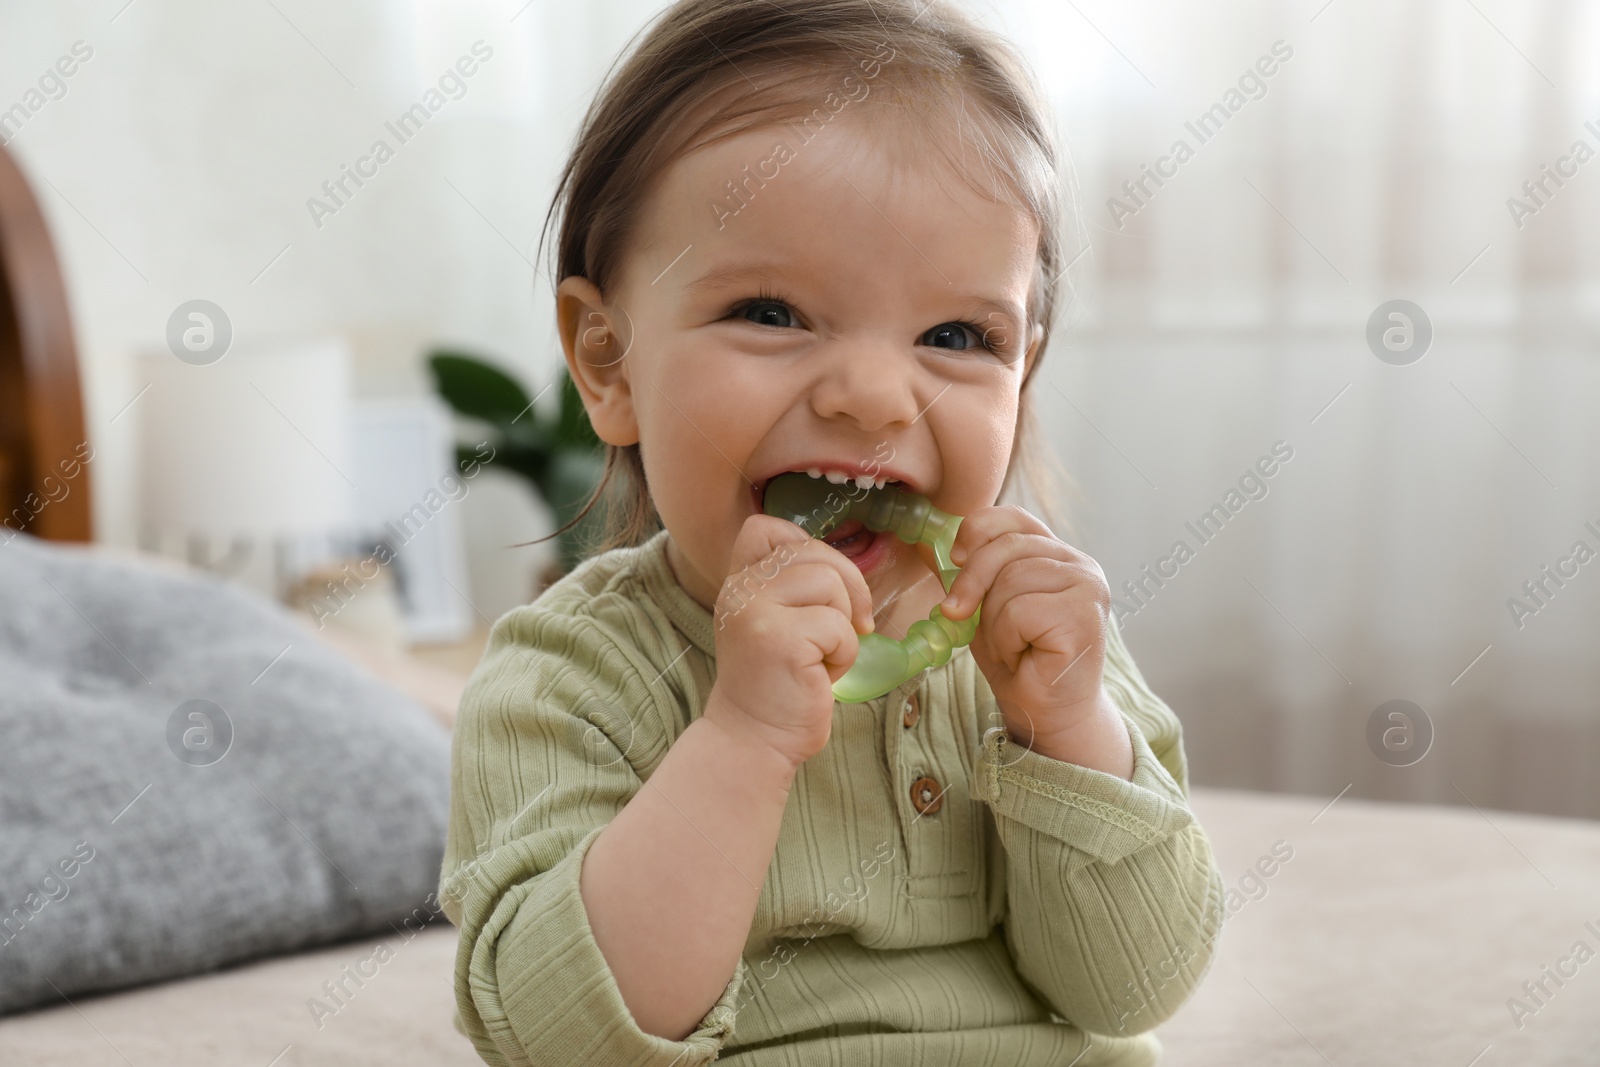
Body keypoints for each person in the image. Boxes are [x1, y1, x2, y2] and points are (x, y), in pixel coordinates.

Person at [438, 2, 1224, 1063]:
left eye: (955, 336)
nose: (870, 394)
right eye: (771, 311)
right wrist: (743, 739)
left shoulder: (1038, 650)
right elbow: (559, 1037)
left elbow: (1131, 986)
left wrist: (1073, 733)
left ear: (1022, 372)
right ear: (610, 362)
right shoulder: (568, 674)